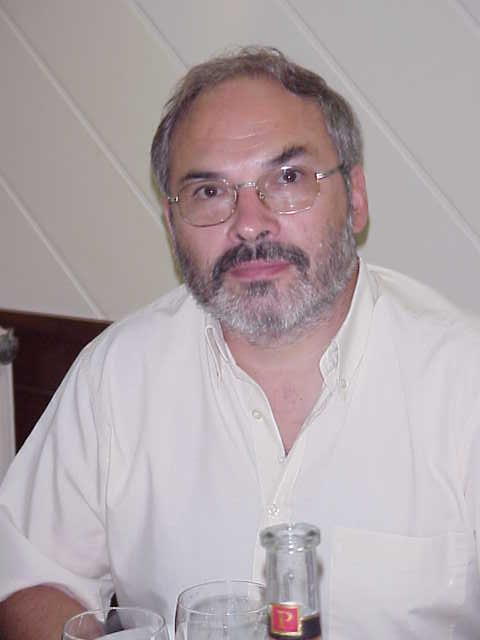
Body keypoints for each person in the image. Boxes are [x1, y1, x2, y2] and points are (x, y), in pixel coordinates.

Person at [0, 46, 479, 640]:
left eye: (287, 178)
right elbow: (30, 578)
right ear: (171, 225)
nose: (249, 222)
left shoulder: (463, 377)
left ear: (355, 198)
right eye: (209, 191)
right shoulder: (116, 375)